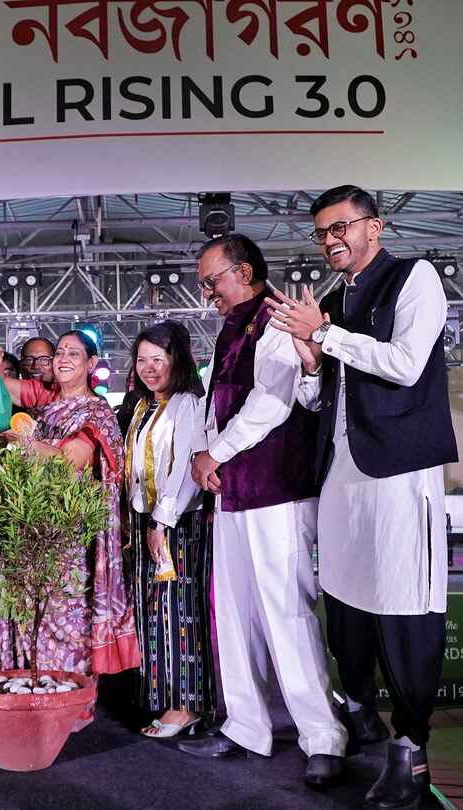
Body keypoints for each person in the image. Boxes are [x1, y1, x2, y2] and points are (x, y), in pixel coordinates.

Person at [265, 185, 457, 808]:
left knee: (403, 603)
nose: (330, 240)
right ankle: (361, 718)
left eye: (340, 227)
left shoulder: (415, 277)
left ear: (374, 226)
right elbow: (320, 399)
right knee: (346, 607)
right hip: (340, 472)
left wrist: (326, 334)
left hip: (398, 468)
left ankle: (412, 749)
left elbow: (405, 364)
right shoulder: (333, 300)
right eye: (322, 232)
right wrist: (311, 362)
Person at [177, 234, 347, 790]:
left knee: (287, 613)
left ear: (244, 272)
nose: (207, 293)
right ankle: (246, 725)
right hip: (233, 494)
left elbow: (271, 403)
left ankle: (323, 736)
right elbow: (216, 406)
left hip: (278, 490)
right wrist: (206, 456)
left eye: (212, 281)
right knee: (235, 615)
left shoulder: (277, 317)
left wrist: (214, 453)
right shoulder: (231, 328)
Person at [0, 332, 139, 680]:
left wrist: (23, 441)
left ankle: (69, 695)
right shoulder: (46, 397)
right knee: (27, 610)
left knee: (65, 616)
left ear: (91, 364)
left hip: (68, 536)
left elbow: (68, 462)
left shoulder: (96, 413)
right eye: (60, 352)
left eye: (74, 353)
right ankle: (28, 689)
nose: (63, 359)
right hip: (27, 525)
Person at [123, 322, 215, 739]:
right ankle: (166, 700)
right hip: (147, 521)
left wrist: (162, 521)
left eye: (157, 359)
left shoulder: (188, 403)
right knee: (154, 613)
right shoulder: (143, 406)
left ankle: (187, 705)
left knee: (179, 613)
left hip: (176, 524)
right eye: (142, 360)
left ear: (176, 360)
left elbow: (184, 469)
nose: (149, 368)